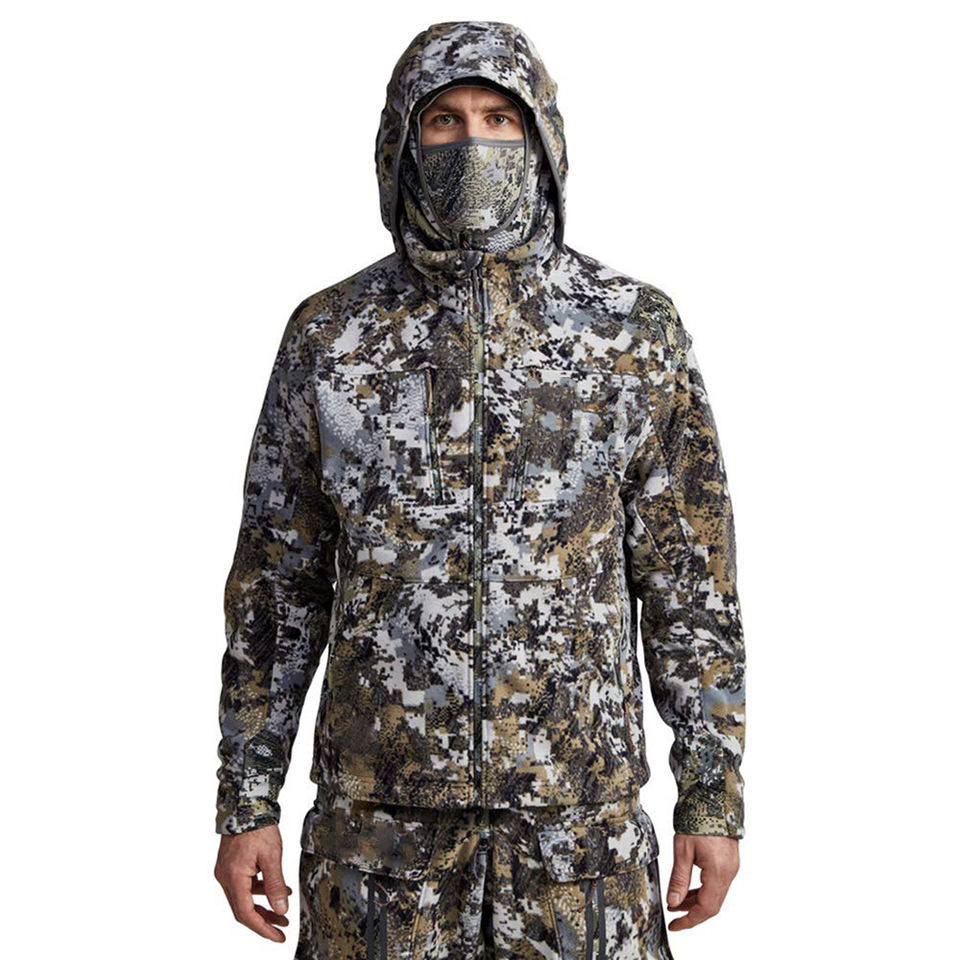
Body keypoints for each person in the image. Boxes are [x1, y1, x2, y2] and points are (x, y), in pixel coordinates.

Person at [213, 20, 746, 959]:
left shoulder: (630, 332)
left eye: (500, 118)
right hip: (380, 853)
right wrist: (246, 799)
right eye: (444, 120)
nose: (472, 142)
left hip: (578, 846)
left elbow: (689, 585)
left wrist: (712, 795)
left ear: (541, 137)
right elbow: (276, 592)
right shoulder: (330, 338)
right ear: (401, 142)